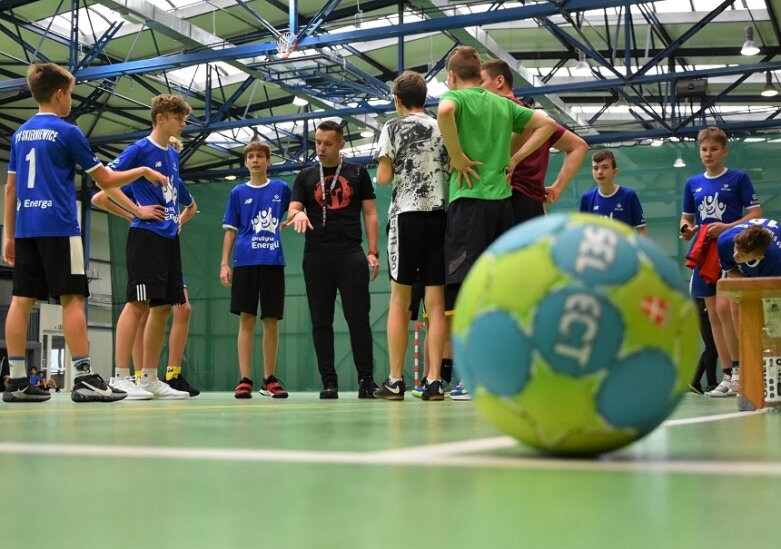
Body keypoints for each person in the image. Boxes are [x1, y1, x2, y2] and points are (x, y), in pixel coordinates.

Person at [3, 63, 167, 403]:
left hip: (26, 229)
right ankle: (84, 377)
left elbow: (11, 188)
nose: (71, 101)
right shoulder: (67, 132)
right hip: (60, 227)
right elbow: (104, 179)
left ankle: (16, 380)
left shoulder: (20, 134)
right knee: (72, 298)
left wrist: (8, 235)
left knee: (21, 301)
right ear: (60, 94)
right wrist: (143, 171)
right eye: (72, 94)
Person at [437, 46, 556, 400]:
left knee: (463, 293)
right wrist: (515, 157)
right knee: (498, 290)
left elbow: (444, 109)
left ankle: (471, 375)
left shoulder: (458, 99)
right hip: (502, 206)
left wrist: (457, 156)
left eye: (447, 78)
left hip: (469, 204)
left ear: (454, 76)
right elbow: (547, 124)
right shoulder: (503, 104)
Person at [101, 94, 196, 400]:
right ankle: (119, 376)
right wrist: (135, 210)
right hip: (145, 237)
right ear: (161, 119)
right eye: (178, 117)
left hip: (168, 239)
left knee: (164, 307)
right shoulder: (140, 149)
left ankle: (149, 378)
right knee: (138, 303)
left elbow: (183, 201)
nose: (183, 123)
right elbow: (106, 182)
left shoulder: (171, 154)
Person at [287, 120, 380, 399]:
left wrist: (373, 252)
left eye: (327, 143)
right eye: (318, 142)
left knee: (358, 319)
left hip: (350, 254)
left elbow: (371, 214)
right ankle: (329, 382)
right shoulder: (305, 176)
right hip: (316, 256)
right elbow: (293, 209)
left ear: (341, 144)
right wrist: (298, 214)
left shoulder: (357, 173)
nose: (321, 148)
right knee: (320, 321)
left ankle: (366, 380)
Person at [372, 70, 449, 401]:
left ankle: (394, 380)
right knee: (436, 303)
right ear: (426, 98)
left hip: (406, 217)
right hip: (441, 217)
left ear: (397, 100)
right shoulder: (443, 126)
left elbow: (385, 177)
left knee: (400, 301)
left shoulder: (391, 127)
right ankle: (434, 381)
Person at [679, 126, 762, 398]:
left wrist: (727, 227)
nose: (708, 154)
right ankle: (727, 376)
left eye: (714, 149)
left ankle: (743, 370)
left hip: (732, 251)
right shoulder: (692, 183)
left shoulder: (738, 178)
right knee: (714, 315)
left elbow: (755, 215)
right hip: (704, 252)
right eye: (704, 149)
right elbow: (687, 218)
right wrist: (687, 229)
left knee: (730, 311)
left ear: (724, 151)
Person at [220, 141, 291, 399]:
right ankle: (245, 379)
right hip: (245, 262)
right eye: (250, 156)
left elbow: (296, 209)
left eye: (260, 156)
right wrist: (224, 263)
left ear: (268, 161)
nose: (255, 160)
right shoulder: (238, 192)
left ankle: (269, 379)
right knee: (246, 319)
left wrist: (291, 219)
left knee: (270, 320)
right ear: (246, 162)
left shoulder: (281, 188)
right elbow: (230, 231)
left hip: (273, 262)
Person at [480, 59, 588, 222]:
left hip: (507, 198)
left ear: (499, 81)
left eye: (481, 82)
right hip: (533, 205)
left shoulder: (499, 110)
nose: (477, 89)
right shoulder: (537, 120)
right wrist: (557, 188)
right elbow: (579, 146)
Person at [713, 219, 781, 396]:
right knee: (734, 305)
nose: (736, 255)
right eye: (737, 248)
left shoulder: (775, 260)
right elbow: (732, 269)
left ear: (759, 257)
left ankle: (772, 369)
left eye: (742, 254)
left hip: (774, 275)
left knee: (773, 317)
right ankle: (741, 370)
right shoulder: (726, 241)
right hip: (745, 269)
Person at [580, 150, 648, 234]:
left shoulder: (629, 195)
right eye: (596, 168)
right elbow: (584, 232)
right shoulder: (587, 198)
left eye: (605, 167)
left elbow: (642, 230)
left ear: (615, 172)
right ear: (592, 173)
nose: (600, 172)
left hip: (624, 247)